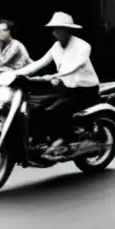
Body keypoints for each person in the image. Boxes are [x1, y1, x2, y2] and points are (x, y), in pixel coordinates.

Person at [16, 13, 101, 159]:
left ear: (68, 30)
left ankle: (64, 140)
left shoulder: (83, 46)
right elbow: (39, 63)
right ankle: (41, 141)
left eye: (60, 28)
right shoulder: (56, 46)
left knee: (57, 110)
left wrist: (58, 74)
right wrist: (15, 73)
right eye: (55, 29)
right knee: (36, 109)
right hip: (67, 88)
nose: (56, 32)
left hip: (86, 90)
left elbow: (76, 64)